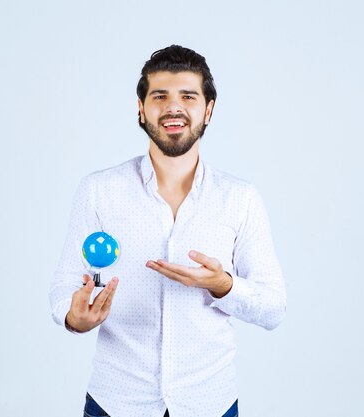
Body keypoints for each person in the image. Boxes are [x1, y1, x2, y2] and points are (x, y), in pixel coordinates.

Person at [49, 45, 287, 417]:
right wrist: (73, 318)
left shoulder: (240, 199)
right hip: (116, 403)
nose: (173, 107)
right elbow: (64, 288)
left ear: (208, 109)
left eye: (188, 96)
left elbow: (274, 308)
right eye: (159, 96)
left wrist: (223, 285)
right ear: (141, 109)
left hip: (210, 403)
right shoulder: (98, 190)